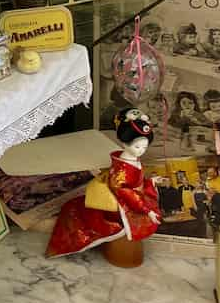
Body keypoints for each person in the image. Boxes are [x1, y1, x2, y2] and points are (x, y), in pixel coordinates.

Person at [46, 110, 161, 257]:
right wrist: (146, 210)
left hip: (134, 197)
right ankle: (122, 252)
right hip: (123, 205)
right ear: (124, 142)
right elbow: (125, 192)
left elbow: (135, 183)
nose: (141, 152)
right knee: (144, 220)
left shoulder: (130, 160)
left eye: (144, 147)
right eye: (137, 147)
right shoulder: (122, 169)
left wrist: (150, 181)